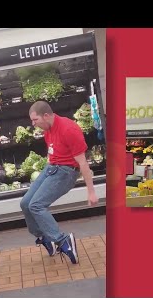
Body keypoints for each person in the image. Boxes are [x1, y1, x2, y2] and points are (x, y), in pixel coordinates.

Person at [20, 100, 99, 264]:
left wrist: (91, 191)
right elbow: (53, 152)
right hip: (52, 167)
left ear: (46, 116)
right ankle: (45, 237)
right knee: (25, 203)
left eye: (35, 120)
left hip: (67, 172)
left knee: (36, 205)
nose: (33, 124)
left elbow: (83, 163)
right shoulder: (47, 129)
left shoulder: (69, 130)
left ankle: (63, 241)